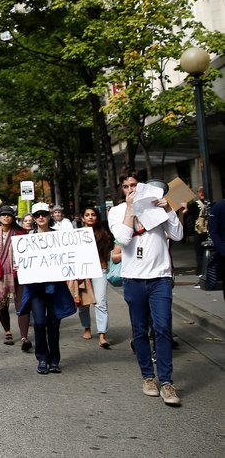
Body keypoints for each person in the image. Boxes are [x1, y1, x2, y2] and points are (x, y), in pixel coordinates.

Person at [108, 169, 184, 406]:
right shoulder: (117, 211)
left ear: (142, 186)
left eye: (134, 185)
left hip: (160, 277)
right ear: (122, 189)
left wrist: (169, 209)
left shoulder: (159, 207)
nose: (131, 190)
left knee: (162, 328)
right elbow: (124, 238)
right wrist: (131, 208)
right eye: (126, 186)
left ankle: (167, 382)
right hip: (134, 279)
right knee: (140, 330)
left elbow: (178, 235)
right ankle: (148, 377)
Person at [19, 203, 76, 375]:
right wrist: (19, 266)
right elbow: (21, 260)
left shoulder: (58, 236)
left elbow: (68, 258)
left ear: (49, 215)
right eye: (37, 215)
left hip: (55, 287)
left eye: (44, 214)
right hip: (35, 288)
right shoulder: (27, 237)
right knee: (39, 323)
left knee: (53, 324)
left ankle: (54, 360)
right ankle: (42, 358)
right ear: (34, 218)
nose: (41, 217)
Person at [0, 205, 27, 348]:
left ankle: (24, 337)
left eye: (9, 215)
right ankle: (7, 331)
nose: (6, 217)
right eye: (3, 215)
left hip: (18, 273)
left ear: (13, 217)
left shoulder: (21, 233)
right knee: (3, 305)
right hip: (0, 274)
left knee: (22, 304)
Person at [78, 206, 112, 348]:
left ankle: (102, 334)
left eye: (93, 215)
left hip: (100, 270)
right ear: (82, 218)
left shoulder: (103, 233)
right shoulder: (76, 235)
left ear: (97, 217)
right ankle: (86, 327)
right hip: (83, 271)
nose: (90, 217)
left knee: (101, 302)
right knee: (84, 303)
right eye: (87, 215)